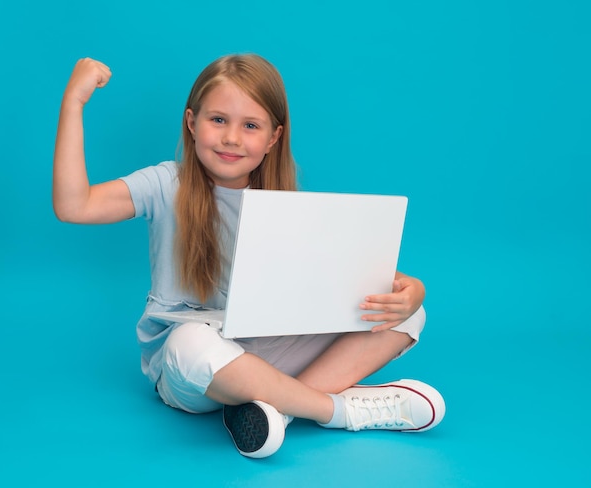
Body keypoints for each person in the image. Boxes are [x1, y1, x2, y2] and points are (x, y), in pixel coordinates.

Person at [53, 54, 446, 459]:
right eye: (218, 120)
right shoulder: (165, 183)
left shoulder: (283, 205)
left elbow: (365, 275)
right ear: (191, 122)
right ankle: (338, 410)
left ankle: (276, 413)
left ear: (273, 138)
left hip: (259, 348)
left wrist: (413, 290)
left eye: (251, 126)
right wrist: (74, 102)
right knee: (191, 343)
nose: (231, 138)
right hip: (192, 367)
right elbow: (74, 206)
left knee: (408, 316)